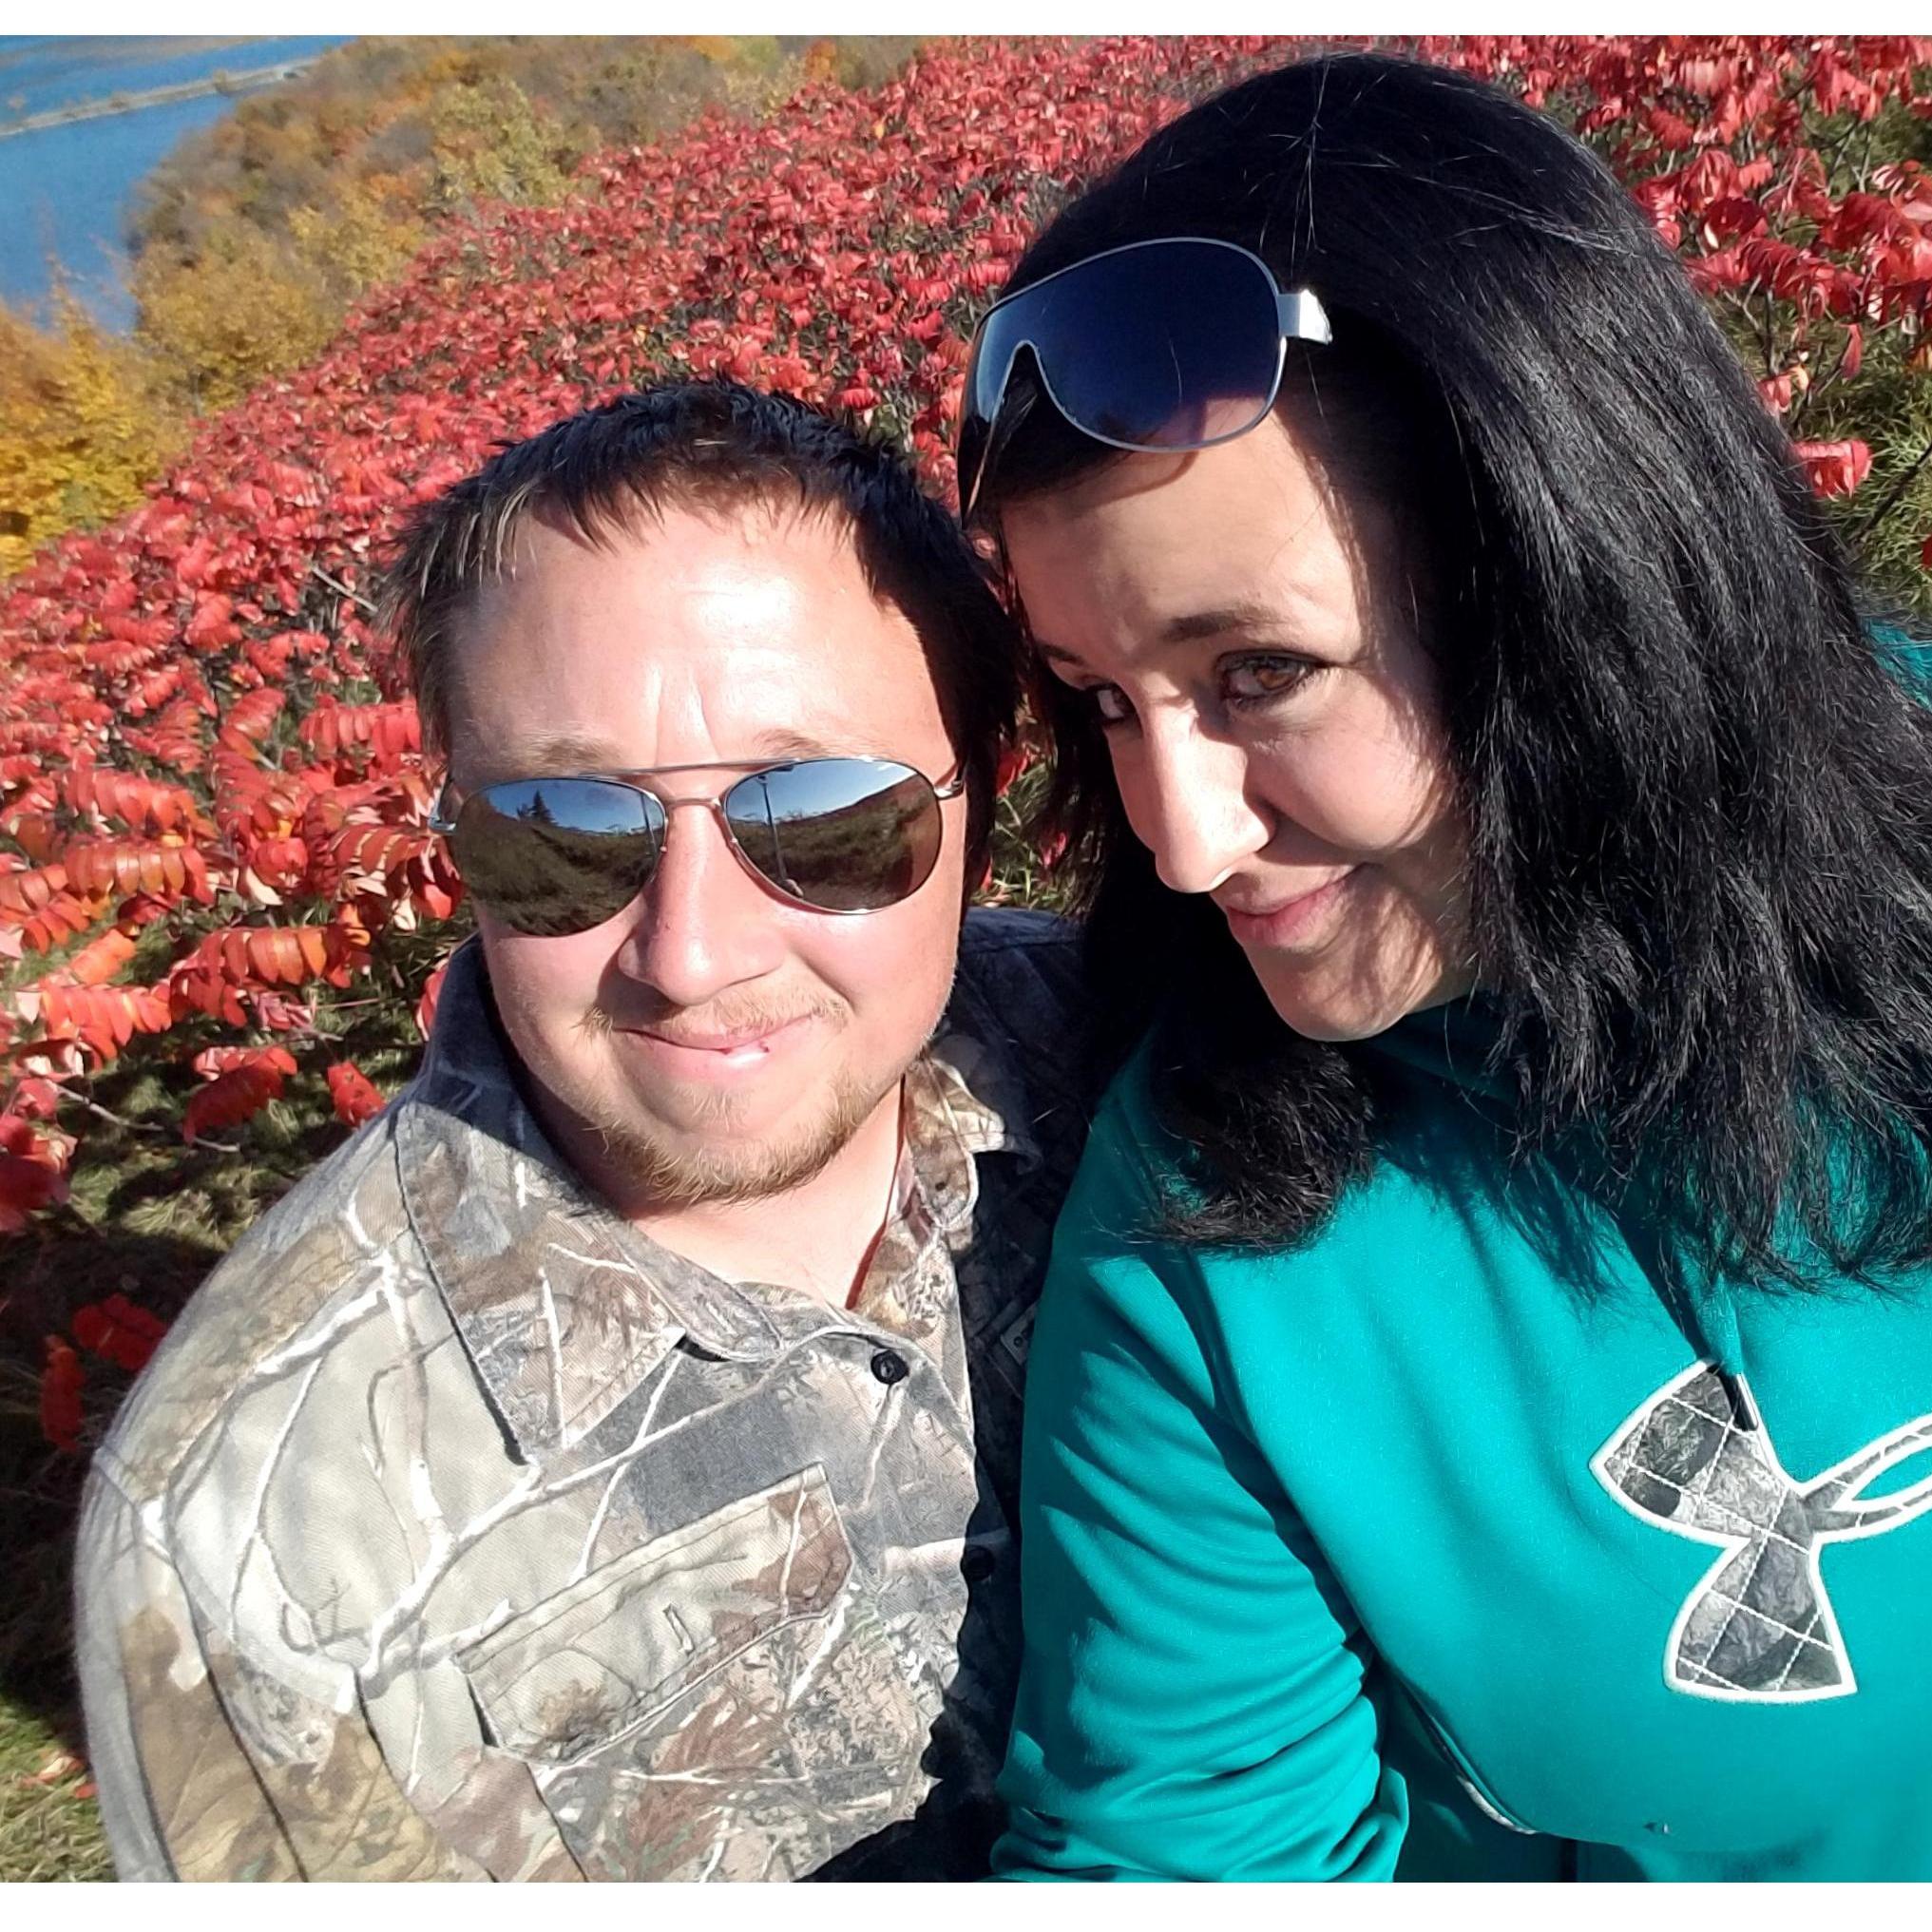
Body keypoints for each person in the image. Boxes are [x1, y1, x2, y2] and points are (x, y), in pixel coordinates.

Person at [962, 52, 1932, 1881]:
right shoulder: (1219, 1237)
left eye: (1257, 674)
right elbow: (1189, 1850)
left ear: (1567, 573)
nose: (1178, 839)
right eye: (1102, 701)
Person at [73, 381, 1089, 1882]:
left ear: (978, 816)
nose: (690, 953)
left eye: (822, 820)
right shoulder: (255, 1532)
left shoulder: (1154, 1056)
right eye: (563, 829)